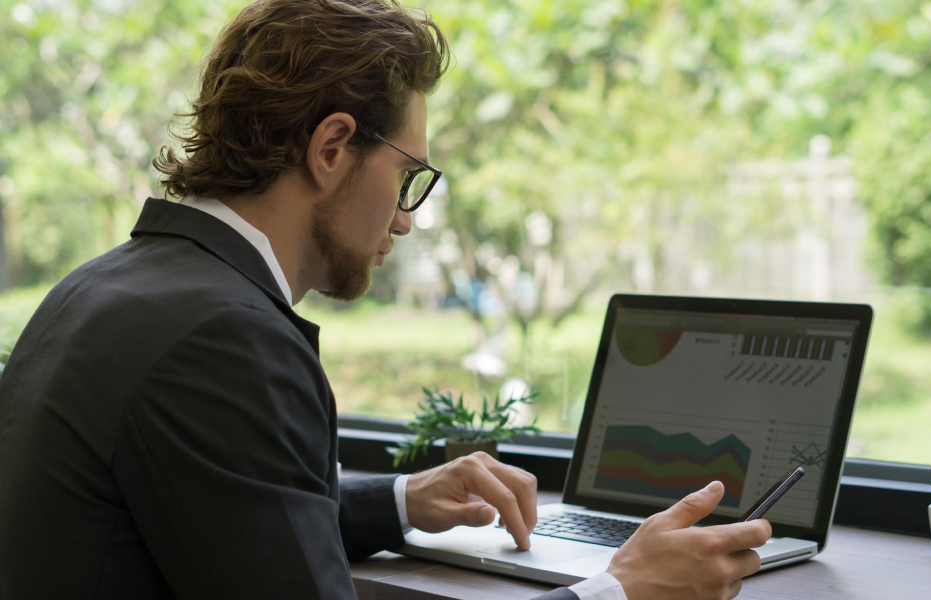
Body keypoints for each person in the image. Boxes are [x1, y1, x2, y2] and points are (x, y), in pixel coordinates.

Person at [0, 1, 771, 598]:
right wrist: (621, 589)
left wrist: (401, 500)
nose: (406, 217)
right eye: (407, 178)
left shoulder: (102, 288)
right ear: (332, 148)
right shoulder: (225, 338)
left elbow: (223, 504)